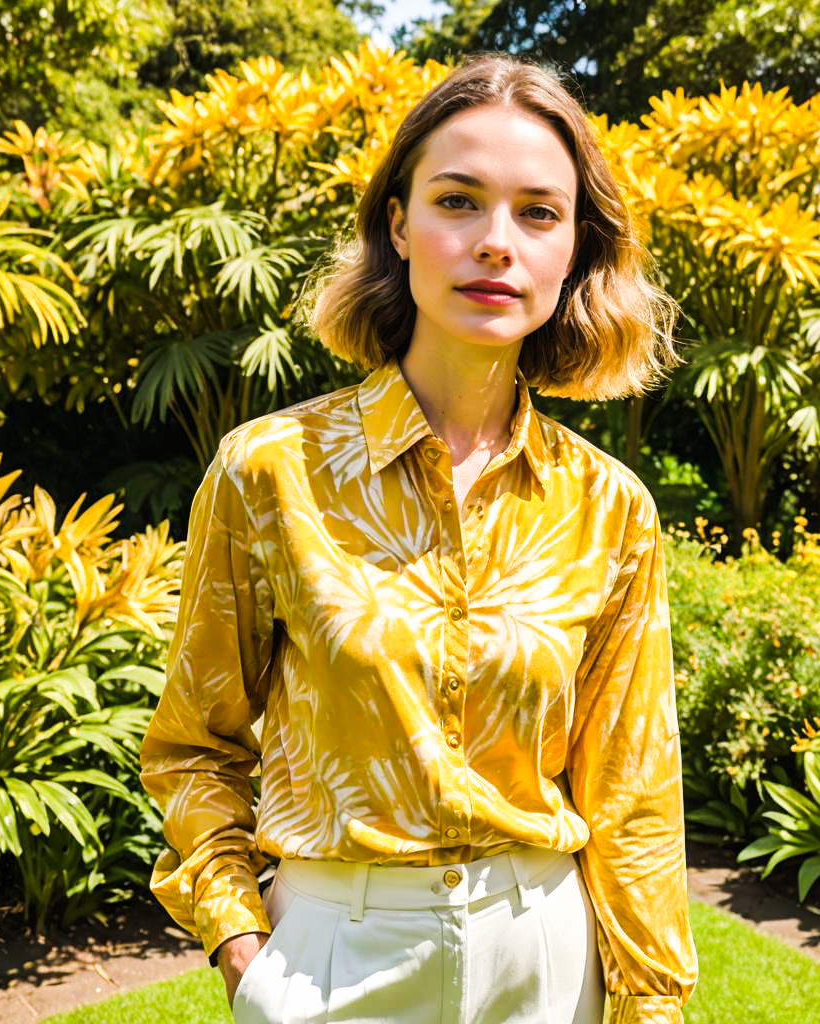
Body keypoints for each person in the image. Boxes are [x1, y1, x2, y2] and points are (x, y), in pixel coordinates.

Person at [140, 53, 698, 1024]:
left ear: (573, 250)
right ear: (397, 223)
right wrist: (244, 947)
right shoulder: (269, 472)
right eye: (458, 200)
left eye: (537, 212)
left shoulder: (610, 506)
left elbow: (634, 795)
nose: (495, 242)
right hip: (332, 955)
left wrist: (651, 1004)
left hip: (545, 958)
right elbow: (194, 745)